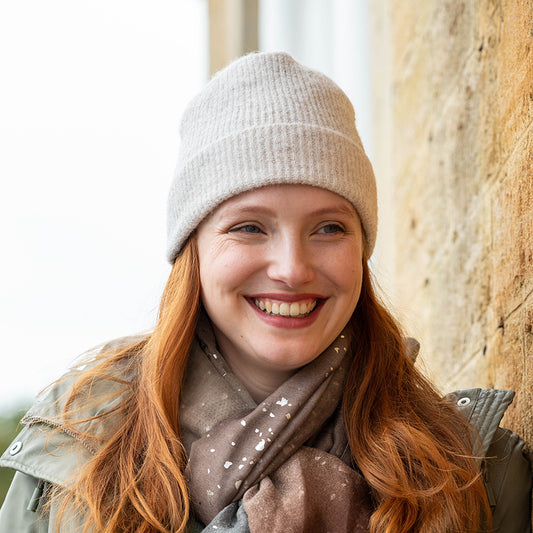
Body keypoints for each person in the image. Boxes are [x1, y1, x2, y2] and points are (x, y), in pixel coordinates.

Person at [0, 52, 530, 533]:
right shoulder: (79, 457)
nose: (293, 269)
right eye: (249, 227)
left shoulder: (475, 473)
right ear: (194, 250)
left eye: (329, 228)